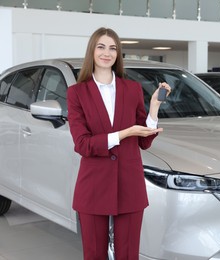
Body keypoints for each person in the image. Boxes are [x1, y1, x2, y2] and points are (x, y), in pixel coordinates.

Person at [67, 27, 171, 260]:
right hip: (93, 187)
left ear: (118, 54)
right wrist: (123, 134)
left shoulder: (132, 89)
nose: (107, 53)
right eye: (101, 47)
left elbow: (143, 142)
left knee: (128, 256)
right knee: (94, 255)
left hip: (129, 185)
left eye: (113, 48)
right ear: (92, 51)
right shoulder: (77, 93)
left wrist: (154, 108)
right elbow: (83, 144)